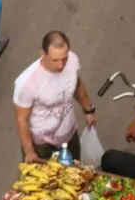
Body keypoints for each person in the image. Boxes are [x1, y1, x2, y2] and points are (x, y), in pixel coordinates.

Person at [13, 31, 98, 164]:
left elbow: (77, 85)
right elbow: (21, 120)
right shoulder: (27, 83)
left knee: (75, 176)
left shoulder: (73, 60)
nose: (61, 65)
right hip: (43, 145)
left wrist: (88, 110)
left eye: (64, 59)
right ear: (43, 53)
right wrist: (29, 151)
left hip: (69, 135)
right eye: (55, 60)